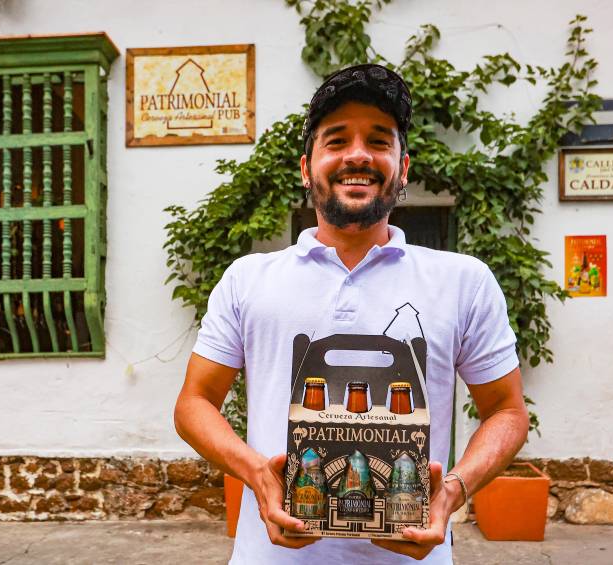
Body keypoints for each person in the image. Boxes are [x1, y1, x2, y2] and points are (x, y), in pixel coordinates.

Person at [174, 64, 529, 564]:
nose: (358, 155)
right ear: (307, 168)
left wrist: (452, 490)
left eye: (379, 141)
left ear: (403, 168)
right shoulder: (248, 279)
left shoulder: (463, 281)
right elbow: (193, 403)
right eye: (337, 140)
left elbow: (508, 412)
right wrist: (256, 473)